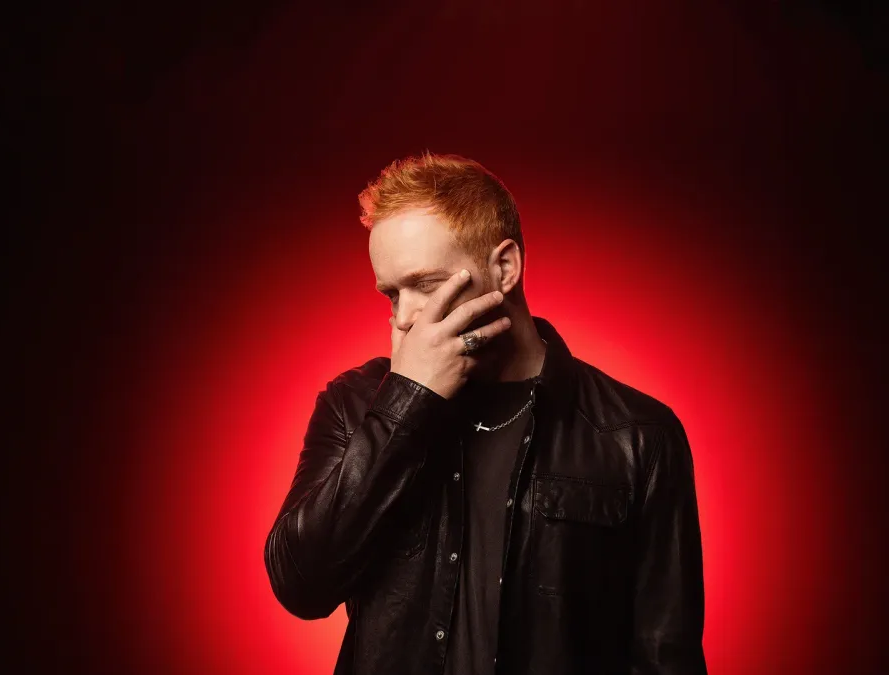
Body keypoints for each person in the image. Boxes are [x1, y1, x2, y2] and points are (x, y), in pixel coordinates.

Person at [264, 152, 707, 674]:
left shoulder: (638, 436)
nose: (404, 317)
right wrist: (406, 401)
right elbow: (301, 585)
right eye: (392, 293)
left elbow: (666, 656)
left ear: (505, 268)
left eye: (426, 285)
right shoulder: (355, 404)